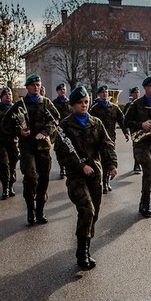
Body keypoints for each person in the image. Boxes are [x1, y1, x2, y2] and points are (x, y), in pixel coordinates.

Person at [54, 86, 118, 269]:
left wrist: (112, 164)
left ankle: (87, 246)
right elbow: (61, 152)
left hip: (95, 175)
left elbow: (107, 145)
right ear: (73, 105)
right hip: (76, 176)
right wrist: (80, 166)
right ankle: (81, 252)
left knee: (94, 213)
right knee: (87, 210)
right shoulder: (65, 125)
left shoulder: (96, 122)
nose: (84, 105)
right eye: (80, 103)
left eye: (86, 102)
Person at [5, 74, 60, 225]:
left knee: (43, 179)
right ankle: (30, 211)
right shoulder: (20, 104)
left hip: (43, 148)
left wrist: (45, 132)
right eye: (33, 85)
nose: (36, 87)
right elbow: (6, 123)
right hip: (27, 148)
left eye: (38, 84)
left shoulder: (46, 102)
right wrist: (19, 131)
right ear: (27, 87)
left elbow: (55, 119)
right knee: (30, 178)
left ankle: (40, 211)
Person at [124, 75, 151, 217]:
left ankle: (145, 198)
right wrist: (141, 125)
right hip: (140, 143)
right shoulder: (136, 105)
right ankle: (145, 203)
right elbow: (126, 122)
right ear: (145, 88)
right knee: (149, 170)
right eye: (150, 86)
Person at [90, 84, 128, 193]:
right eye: (102, 92)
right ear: (98, 94)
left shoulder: (114, 107)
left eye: (106, 92)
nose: (105, 94)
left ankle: (106, 182)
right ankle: (101, 181)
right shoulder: (95, 109)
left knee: (109, 160)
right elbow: (90, 123)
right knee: (100, 160)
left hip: (110, 138)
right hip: (98, 138)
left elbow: (121, 120)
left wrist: (125, 132)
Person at [52, 82, 72, 179]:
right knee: (59, 150)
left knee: (70, 148)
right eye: (60, 90)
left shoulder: (70, 102)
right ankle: (62, 167)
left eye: (63, 89)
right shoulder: (54, 103)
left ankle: (68, 167)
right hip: (58, 130)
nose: (62, 91)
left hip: (69, 129)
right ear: (57, 91)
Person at [123, 86, 142, 173]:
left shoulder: (142, 103)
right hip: (134, 128)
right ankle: (136, 164)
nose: (137, 94)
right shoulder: (129, 105)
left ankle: (141, 162)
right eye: (135, 93)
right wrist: (126, 131)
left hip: (143, 127)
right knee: (136, 145)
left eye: (138, 92)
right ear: (132, 94)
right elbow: (125, 119)